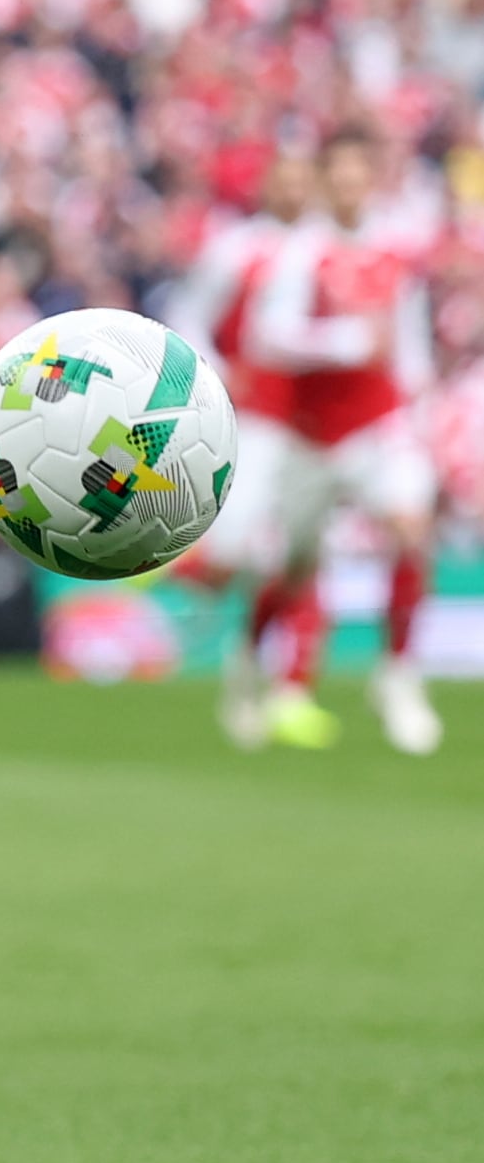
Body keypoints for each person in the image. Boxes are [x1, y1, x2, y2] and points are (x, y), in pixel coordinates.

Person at [239, 123, 441, 755]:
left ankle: (398, 675)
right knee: (295, 568)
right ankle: (247, 664)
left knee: (411, 534)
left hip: (380, 422)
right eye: (339, 175)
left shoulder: (396, 248)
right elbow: (267, 336)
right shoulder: (300, 251)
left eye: (360, 174)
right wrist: (345, 342)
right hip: (311, 434)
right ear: (325, 182)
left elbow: (406, 337)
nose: (351, 186)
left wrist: (417, 394)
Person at [165, 144, 322, 747]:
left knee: (304, 556)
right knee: (238, 545)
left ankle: (287, 687)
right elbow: (190, 314)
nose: (293, 190)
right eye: (283, 179)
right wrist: (223, 376)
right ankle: (181, 592)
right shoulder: (237, 248)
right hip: (256, 417)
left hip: (319, 427)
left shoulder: (325, 248)